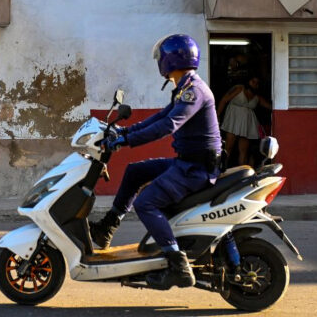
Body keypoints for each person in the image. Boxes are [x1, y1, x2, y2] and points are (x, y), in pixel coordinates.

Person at [90, 34, 222, 290]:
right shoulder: (185, 86)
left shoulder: (193, 92)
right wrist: (124, 132)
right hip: (186, 163)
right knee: (135, 171)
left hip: (196, 170)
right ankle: (107, 228)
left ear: (171, 59)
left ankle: (178, 264)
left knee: (146, 203)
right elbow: (159, 116)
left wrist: (126, 142)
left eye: (161, 57)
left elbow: (166, 126)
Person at [217, 76, 271, 166]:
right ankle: (222, 169)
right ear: (248, 81)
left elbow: (270, 106)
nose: (255, 84)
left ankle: (243, 175)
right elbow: (224, 100)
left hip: (247, 124)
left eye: (257, 83)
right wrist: (217, 115)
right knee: (228, 148)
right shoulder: (239, 88)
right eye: (253, 81)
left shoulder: (257, 97)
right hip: (233, 121)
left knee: (243, 151)